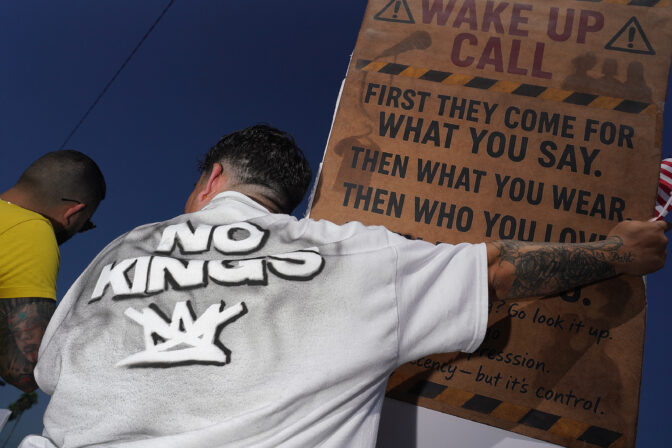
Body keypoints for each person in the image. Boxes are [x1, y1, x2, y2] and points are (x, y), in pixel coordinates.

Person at [23, 125, 668, 448]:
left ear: (212, 178)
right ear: (285, 199)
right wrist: (622, 251)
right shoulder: (350, 251)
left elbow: (50, 371)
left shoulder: (121, 248)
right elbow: (499, 270)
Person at [0, 150, 106, 392]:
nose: (81, 230)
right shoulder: (32, 231)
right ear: (75, 212)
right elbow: (27, 370)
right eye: (86, 224)